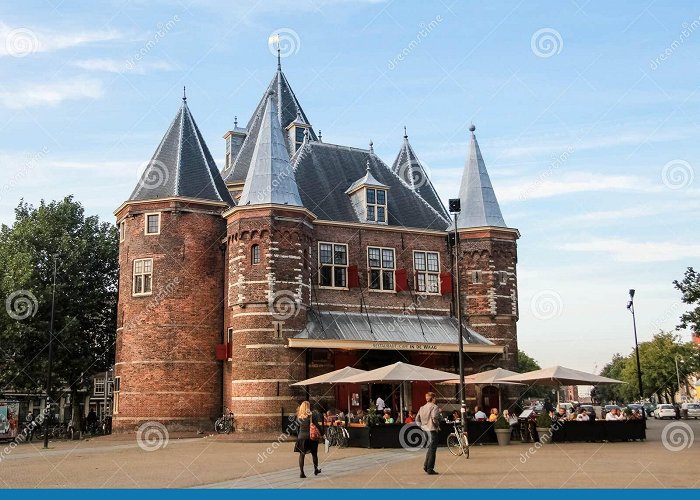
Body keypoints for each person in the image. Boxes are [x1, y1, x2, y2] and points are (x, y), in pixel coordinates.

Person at [294, 401, 323, 478]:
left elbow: (297, 429)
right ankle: (316, 470)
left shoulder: (298, 417)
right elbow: (317, 426)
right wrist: (322, 434)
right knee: (314, 454)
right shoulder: (311, 416)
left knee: (301, 455)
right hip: (311, 438)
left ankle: (302, 473)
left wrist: (299, 435)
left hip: (301, 438)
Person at [416, 392, 440, 475]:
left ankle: (426, 466)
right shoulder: (435, 407)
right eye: (435, 398)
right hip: (432, 430)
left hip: (425, 430)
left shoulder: (422, 408)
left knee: (430, 448)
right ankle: (430, 468)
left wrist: (422, 426)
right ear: (433, 398)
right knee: (433, 449)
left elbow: (417, 419)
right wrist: (437, 425)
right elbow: (434, 418)